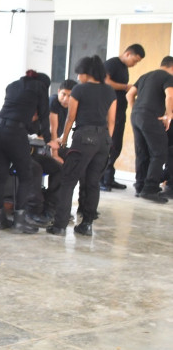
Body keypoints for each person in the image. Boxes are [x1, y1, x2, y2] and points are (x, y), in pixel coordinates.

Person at [48, 56, 116, 236]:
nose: (78, 77)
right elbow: (112, 120)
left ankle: (60, 225)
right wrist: (107, 140)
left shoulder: (80, 90)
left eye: (80, 73)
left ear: (88, 73)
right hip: (104, 140)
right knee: (93, 183)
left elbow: (71, 117)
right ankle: (86, 225)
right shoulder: (110, 91)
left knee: (69, 180)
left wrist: (63, 139)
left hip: (84, 137)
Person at [0, 71, 59, 234]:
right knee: (26, 175)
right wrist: (49, 139)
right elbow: (44, 115)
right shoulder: (40, 88)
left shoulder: (12, 86)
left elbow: (17, 109)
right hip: (14, 132)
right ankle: (19, 222)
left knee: (1, 174)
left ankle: (0, 220)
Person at [126, 56, 173, 203]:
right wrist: (169, 115)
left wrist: (136, 110)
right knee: (159, 153)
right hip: (152, 117)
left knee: (142, 153)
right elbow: (170, 96)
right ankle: (150, 189)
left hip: (136, 117)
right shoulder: (168, 77)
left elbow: (129, 94)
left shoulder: (145, 76)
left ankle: (140, 186)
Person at [101, 44, 145, 191]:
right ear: (127, 54)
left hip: (120, 111)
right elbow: (105, 81)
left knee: (115, 147)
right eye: (135, 60)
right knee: (107, 145)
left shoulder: (124, 68)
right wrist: (126, 87)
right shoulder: (112, 63)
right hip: (109, 112)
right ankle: (100, 180)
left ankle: (109, 178)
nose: (135, 64)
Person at [49, 80, 77, 161]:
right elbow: (52, 130)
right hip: (42, 141)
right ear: (58, 91)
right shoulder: (53, 101)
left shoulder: (73, 105)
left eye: (70, 96)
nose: (65, 99)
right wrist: (54, 155)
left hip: (55, 140)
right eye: (63, 94)